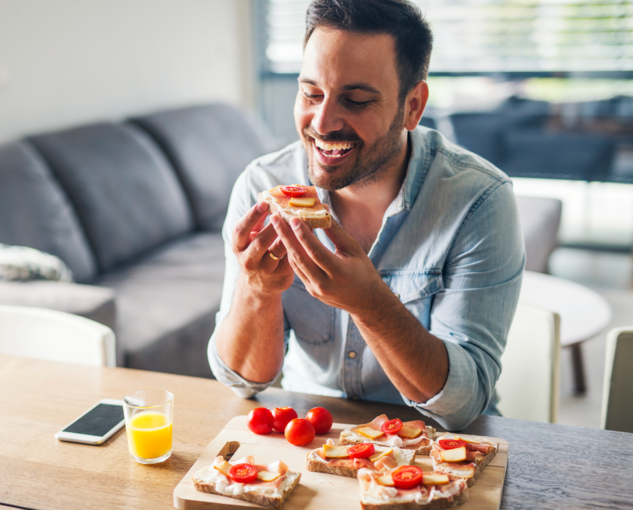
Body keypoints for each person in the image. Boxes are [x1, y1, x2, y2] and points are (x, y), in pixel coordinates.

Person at [207, 0, 524, 431]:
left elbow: (463, 404)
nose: (322, 122)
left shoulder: (480, 201)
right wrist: (258, 291)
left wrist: (368, 302)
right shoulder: (262, 186)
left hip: (434, 448)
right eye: (311, 93)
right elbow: (240, 380)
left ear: (413, 106)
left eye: (355, 100)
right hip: (312, 433)